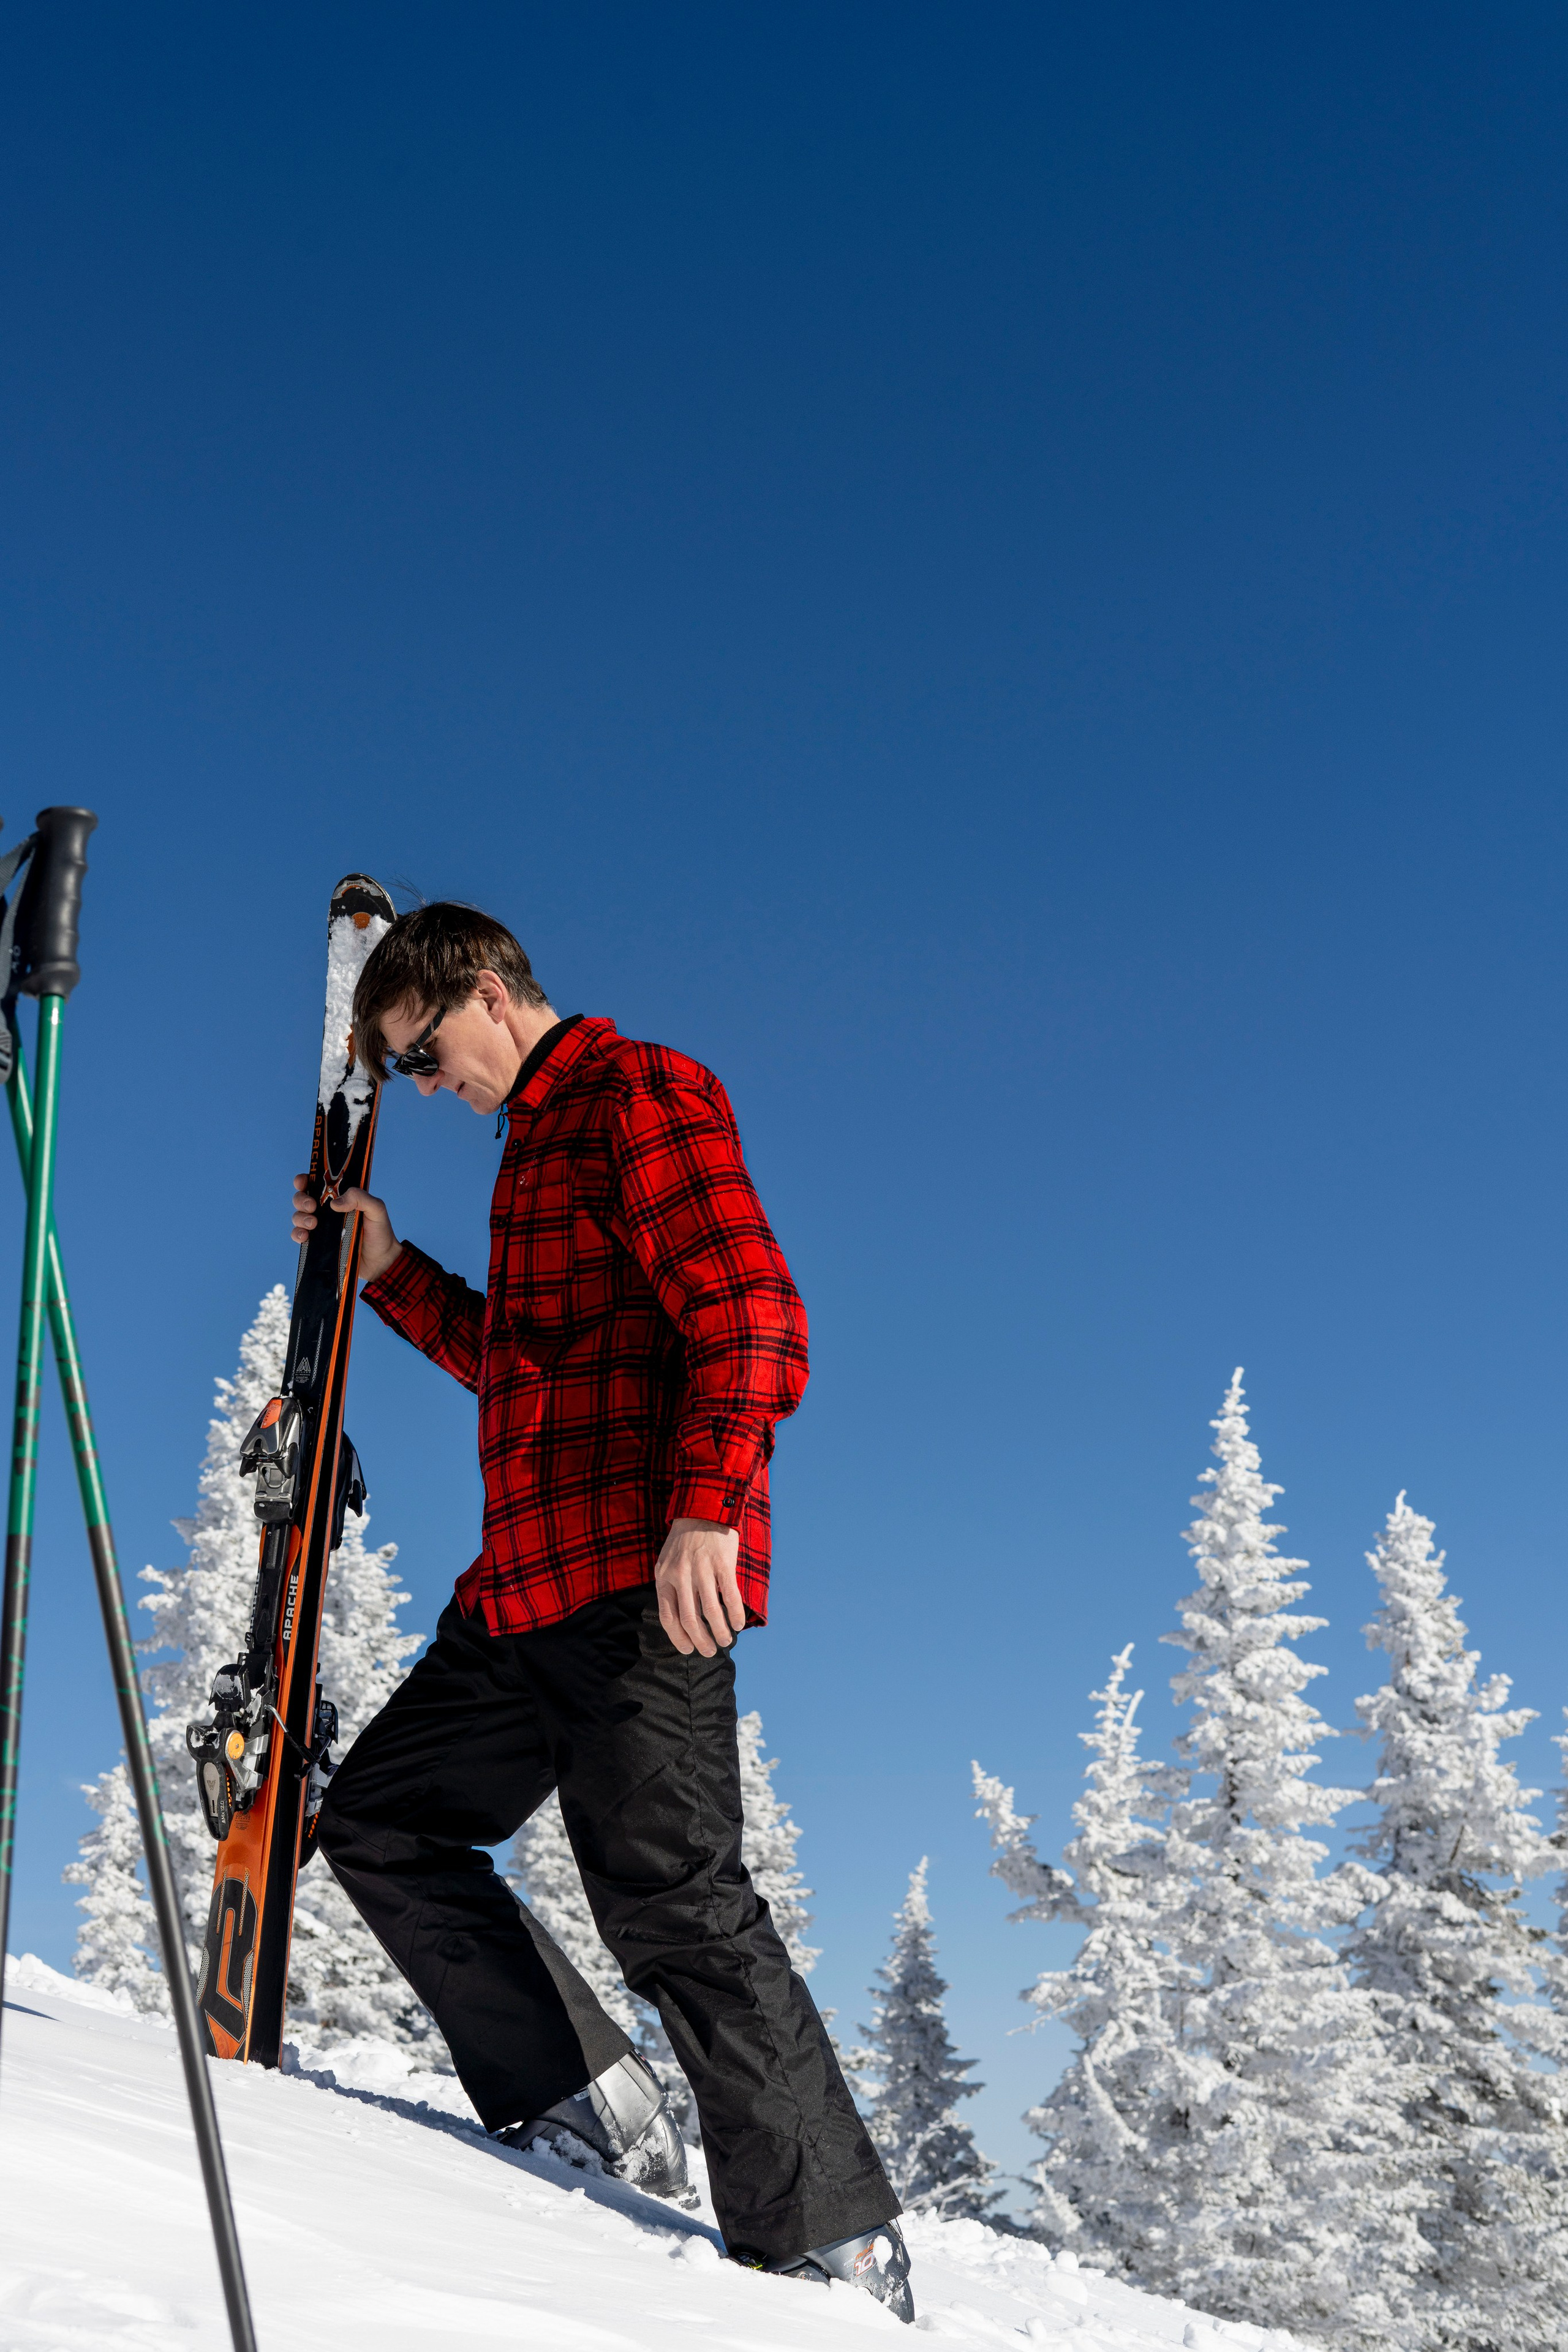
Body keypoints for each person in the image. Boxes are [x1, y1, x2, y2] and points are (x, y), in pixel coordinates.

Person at [297, 902, 911, 2321]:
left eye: (430, 1052)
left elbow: (752, 1309)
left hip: (639, 1579)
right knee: (381, 1821)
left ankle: (830, 2241)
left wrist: (709, 1503)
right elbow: (521, 1365)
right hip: (519, 1590)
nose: (435, 1086)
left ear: (489, 991)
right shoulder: (530, 1156)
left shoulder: (638, 1092)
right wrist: (389, 1272)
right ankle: (579, 2093)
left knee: (671, 1897)